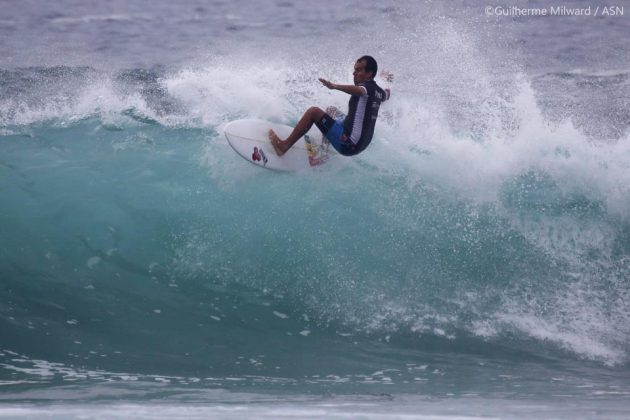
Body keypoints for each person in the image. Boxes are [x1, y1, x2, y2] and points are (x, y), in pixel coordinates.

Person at [269, 55, 392, 157]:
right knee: (331, 111)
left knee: (313, 112)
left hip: (349, 145)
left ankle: (283, 147)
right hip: (361, 144)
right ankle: (323, 152)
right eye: (354, 70)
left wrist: (335, 86)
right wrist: (387, 80)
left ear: (369, 74)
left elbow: (359, 91)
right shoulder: (378, 92)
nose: (354, 73)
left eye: (358, 70)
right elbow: (387, 94)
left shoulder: (366, 88)